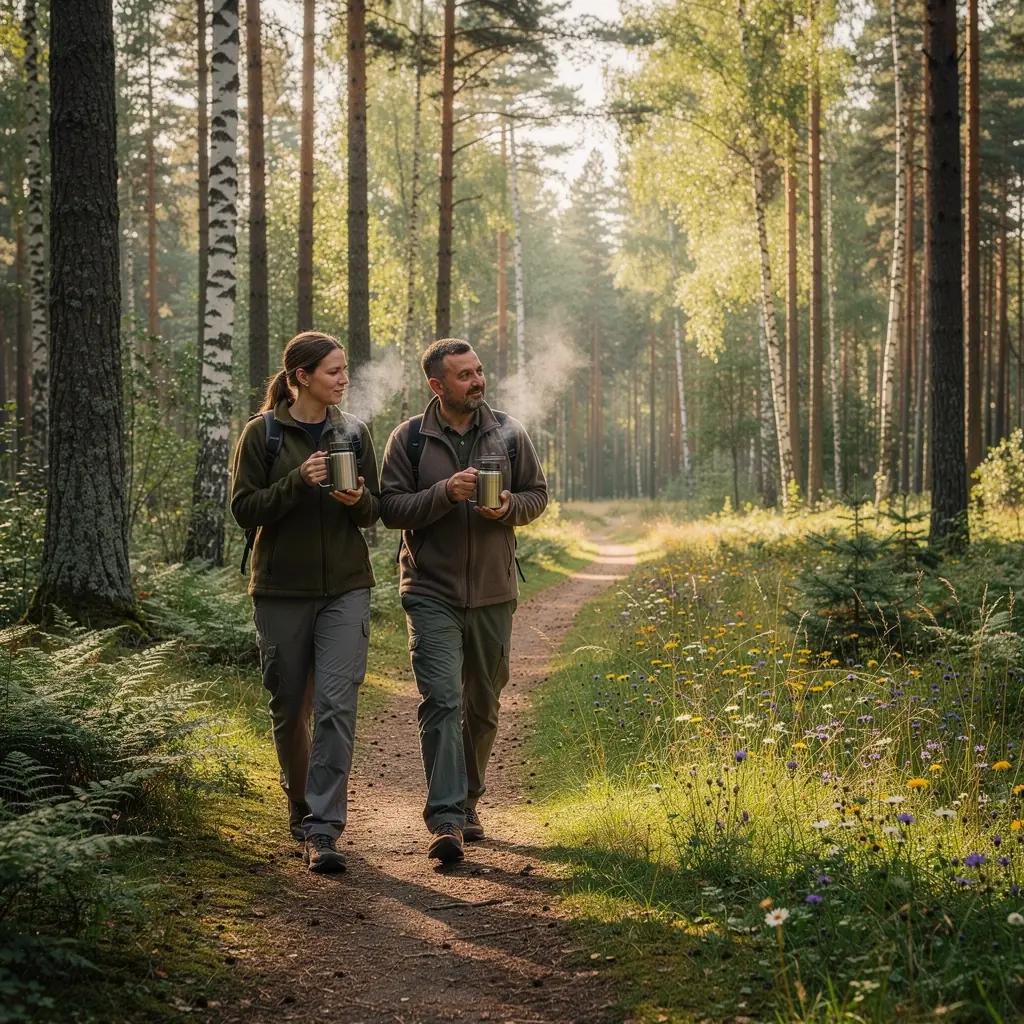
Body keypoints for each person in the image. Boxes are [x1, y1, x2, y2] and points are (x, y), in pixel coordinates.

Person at [379, 339, 548, 862]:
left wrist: (508, 509)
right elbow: (389, 508)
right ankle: (447, 818)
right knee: (442, 700)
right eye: (464, 376)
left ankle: (470, 800)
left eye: (479, 372)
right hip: (430, 590)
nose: (477, 381)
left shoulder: (511, 433)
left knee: (483, 703)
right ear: (437, 385)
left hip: (495, 592)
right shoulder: (408, 439)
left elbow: (538, 495)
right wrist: (444, 494)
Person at [230, 331, 380, 874]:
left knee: (337, 705)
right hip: (280, 591)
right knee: (290, 708)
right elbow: (245, 510)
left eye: (344, 370)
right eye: (334, 371)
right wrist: (298, 481)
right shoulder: (262, 434)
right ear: (300, 378)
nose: (344, 379)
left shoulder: (355, 432)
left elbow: (374, 512)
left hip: (346, 587)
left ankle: (323, 828)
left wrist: (358, 498)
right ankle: (299, 804)